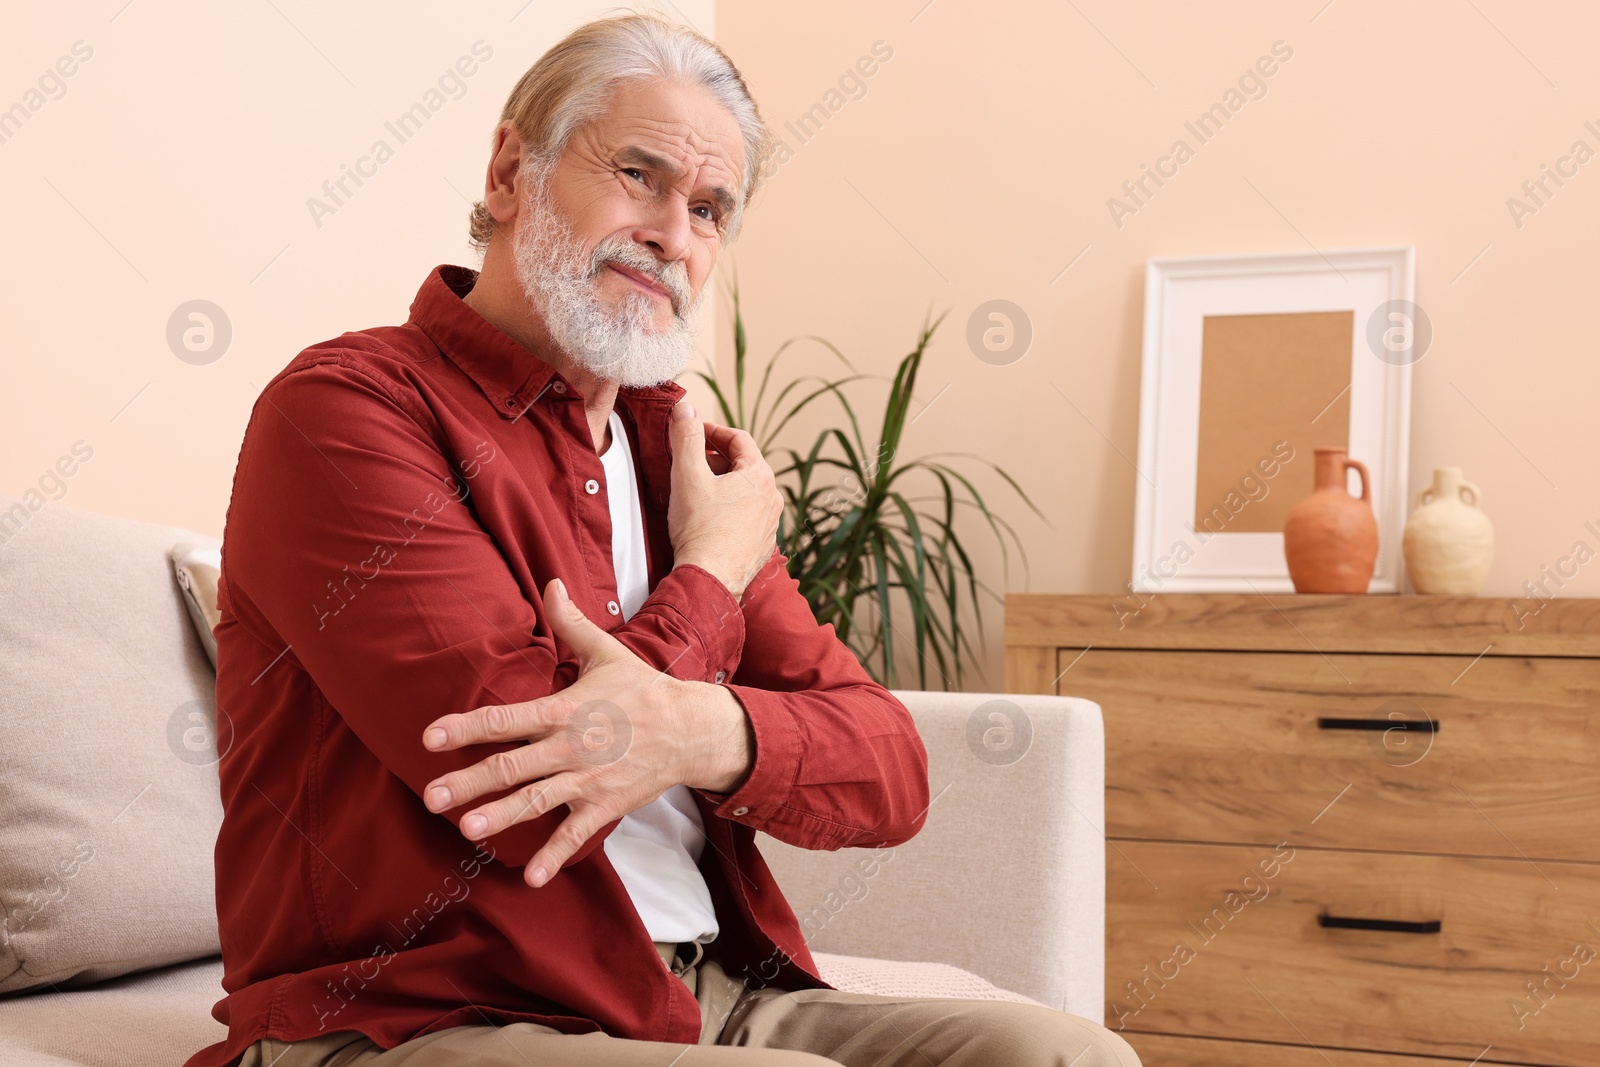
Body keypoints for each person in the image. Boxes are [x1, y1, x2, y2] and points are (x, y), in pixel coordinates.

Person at [187, 13, 1139, 1067]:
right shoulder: (346, 411)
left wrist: (698, 731)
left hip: (704, 993)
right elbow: (522, 782)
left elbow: (891, 769)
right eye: (636, 175)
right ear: (512, 171)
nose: (672, 235)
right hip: (426, 1012)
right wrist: (708, 575)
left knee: (1062, 1055)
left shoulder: (677, 459)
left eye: (709, 209)